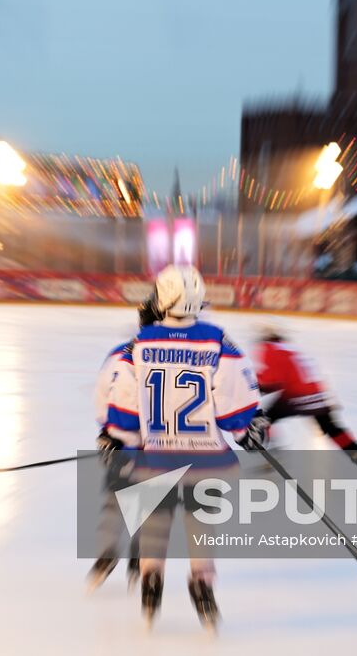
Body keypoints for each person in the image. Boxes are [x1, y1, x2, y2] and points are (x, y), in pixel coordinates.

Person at [97, 265, 262, 631]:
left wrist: (115, 437)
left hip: (156, 459)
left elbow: (124, 400)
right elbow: (235, 401)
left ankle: (151, 580)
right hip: (206, 460)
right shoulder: (217, 339)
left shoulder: (141, 343)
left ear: (163, 298)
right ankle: (202, 583)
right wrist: (247, 428)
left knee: (155, 522)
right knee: (201, 523)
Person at [85, 302, 162, 592]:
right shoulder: (173, 357)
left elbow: (102, 393)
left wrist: (107, 431)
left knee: (115, 498)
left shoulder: (120, 352)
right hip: (157, 446)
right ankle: (137, 557)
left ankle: (107, 554)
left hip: (120, 441)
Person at [248, 318, 357, 480]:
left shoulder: (268, 348)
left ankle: (276, 453)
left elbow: (271, 380)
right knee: (333, 429)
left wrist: (252, 389)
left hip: (295, 395)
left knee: (262, 419)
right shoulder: (292, 348)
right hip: (317, 396)